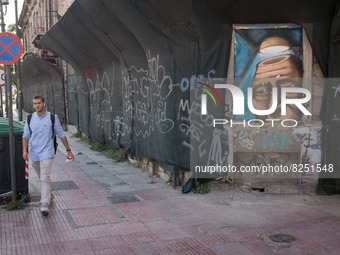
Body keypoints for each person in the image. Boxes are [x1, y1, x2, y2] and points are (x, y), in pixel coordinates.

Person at [22, 95, 74, 216]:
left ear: (44, 103)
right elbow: (25, 136)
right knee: (42, 176)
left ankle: (44, 203)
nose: (37, 106)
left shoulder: (52, 118)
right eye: (35, 103)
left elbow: (61, 134)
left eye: (39, 103)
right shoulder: (30, 118)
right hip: (34, 153)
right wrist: (25, 151)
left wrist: (68, 150)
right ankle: (49, 194)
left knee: (44, 177)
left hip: (47, 152)